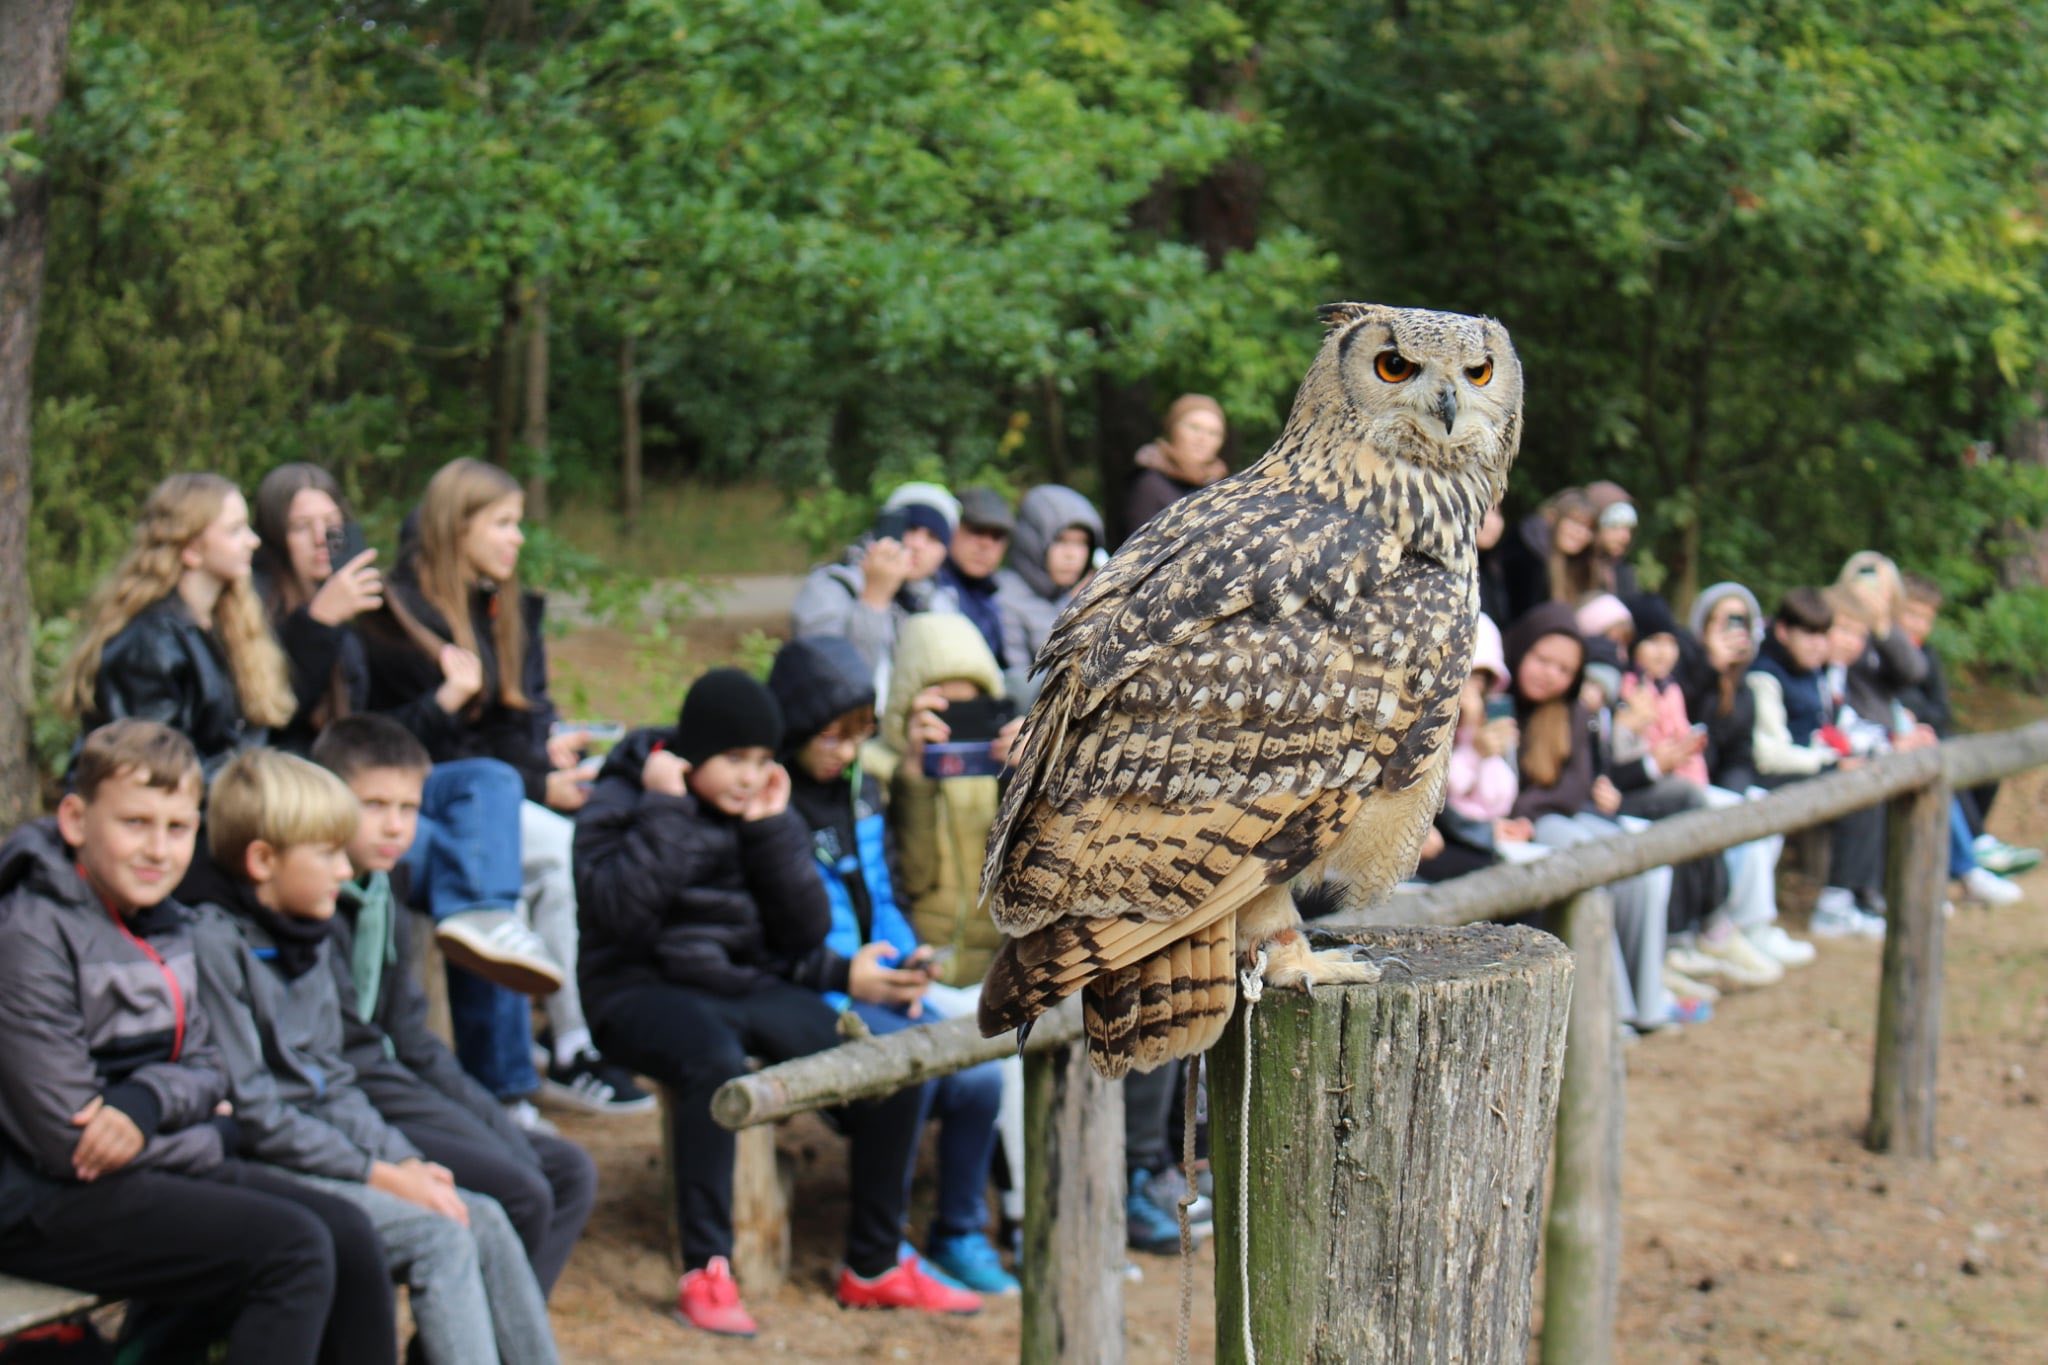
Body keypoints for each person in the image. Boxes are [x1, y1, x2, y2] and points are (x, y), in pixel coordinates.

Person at [573, 668, 980, 1335]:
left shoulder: (760, 803)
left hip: (744, 982)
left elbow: (803, 932)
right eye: (734, 758)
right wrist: (667, 809)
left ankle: (872, 1264)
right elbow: (620, 915)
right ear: (693, 752)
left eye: (761, 759)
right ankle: (706, 1269)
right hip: (637, 988)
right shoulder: (628, 794)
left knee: (886, 1063)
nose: (748, 774)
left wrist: (771, 832)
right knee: (713, 1058)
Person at [0, 721, 394, 1365]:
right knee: (290, 1250)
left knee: (349, 1234)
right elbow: (70, 1142)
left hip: (153, 1160)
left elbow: (208, 1067)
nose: (158, 849)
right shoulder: (30, 933)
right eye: (135, 823)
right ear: (75, 819)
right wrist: (209, 1130)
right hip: (41, 1200)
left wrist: (148, 1104)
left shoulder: (164, 919)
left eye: (178, 828)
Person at [186, 749, 559, 1365]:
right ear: (261, 861)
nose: (344, 870)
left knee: (483, 1216)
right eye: (328, 854)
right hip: (261, 1162)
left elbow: (330, 1080)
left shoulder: (301, 935)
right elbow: (257, 1113)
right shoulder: (215, 944)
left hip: (324, 1150)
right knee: (440, 1235)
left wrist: (403, 1159)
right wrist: (378, 1173)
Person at [359, 458, 646, 1121]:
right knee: (509, 876)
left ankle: (569, 1043)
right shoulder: (394, 619)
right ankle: (515, 1075)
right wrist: (451, 706)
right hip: (430, 797)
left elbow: (513, 720)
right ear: (457, 526)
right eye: (505, 523)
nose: (518, 539)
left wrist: (547, 761)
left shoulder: (497, 604)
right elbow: (393, 746)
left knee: (562, 849)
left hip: (488, 791)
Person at [312, 715, 598, 1296]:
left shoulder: (386, 887)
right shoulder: (314, 902)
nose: (394, 826)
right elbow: (346, 1056)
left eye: (409, 809)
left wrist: (497, 1120)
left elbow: (411, 1036)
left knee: (569, 1171)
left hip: (390, 1078)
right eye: (374, 805)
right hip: (348, 1099)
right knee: (522, 1188)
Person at [766, 637, 1018, 1295]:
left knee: (979, 1079)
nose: (845, 752)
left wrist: (909, 954)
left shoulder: (860, 789)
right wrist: (849, 972)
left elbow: (883, 890)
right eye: (831, 737)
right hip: (823, 987)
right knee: (910, 1069)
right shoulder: (771, 801)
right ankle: (878, 1250)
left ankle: (958, 1231)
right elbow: (773, 928)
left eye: (856, 738)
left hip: (884, 979)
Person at [1505, 604, 1693, 1030]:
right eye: (1542, 660)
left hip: (1554, 815)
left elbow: (1575, 786)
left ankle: (1647, 1004)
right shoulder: (1493, 706)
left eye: (1563, 668)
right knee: (1585, 863)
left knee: (1636, 870)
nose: (1549, 674)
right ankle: (1611, 1009)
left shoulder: (1571, 713)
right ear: (1522, 650)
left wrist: (1527, 812)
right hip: (1534, 827)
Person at [59, 473, 296, 779]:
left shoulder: (226, 624)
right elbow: (153, 769)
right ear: (191, 548)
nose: (253, 541)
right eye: (235, 530)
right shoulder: (149, 642)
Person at [1895, 576, 2038, 874]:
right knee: (1948, 759)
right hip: (1908, 744)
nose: (1918, 625)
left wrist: (1919, 713)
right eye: (1912, 615)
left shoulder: (1928, 654)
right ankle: (1976, 846)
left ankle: (1980, 840)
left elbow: (1941, 710)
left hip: (1934, 733)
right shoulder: (1882, 654)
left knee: (1986, 763)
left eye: (1926, 618)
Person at [790, 482, 961, 697]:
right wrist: (874, 599)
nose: (918, 544)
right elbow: (828, 684)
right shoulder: (830, 586)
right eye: (911, 528)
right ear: (886, 529)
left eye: (933, 538)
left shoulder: (941, 603)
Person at [996, 484, 1105, 706]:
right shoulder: (1003, 599)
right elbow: (1015, 690)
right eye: (1061, 540)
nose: (1072, 555)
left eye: (1081, 543)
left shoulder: (1068, 598)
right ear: (1033, 540)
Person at [932, 487, 1017, 672]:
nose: (985, 544)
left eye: (997, 536)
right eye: (976, 531)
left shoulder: (994, 597)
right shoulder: (928, 588)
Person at [1123, 394, 1227, 541]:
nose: (1203, 438)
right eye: (1194, 427)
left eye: (1213, 433)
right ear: (1172, 428)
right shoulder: (1149, 484)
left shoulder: (1221, 488)